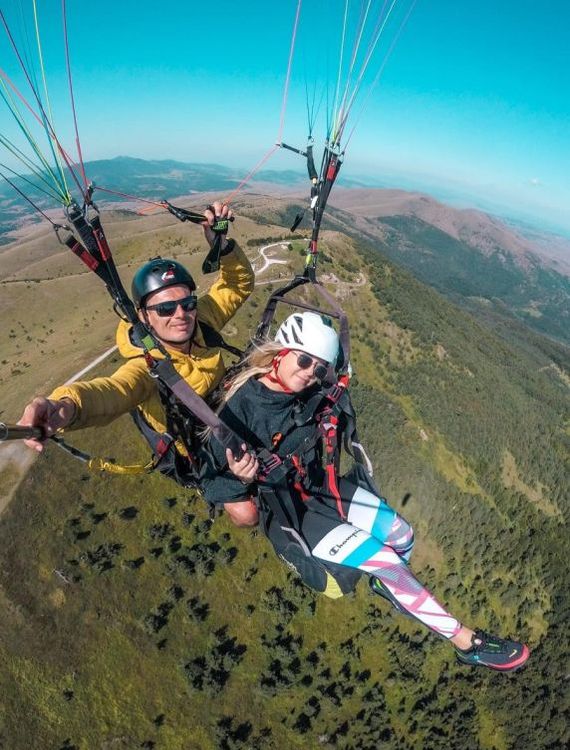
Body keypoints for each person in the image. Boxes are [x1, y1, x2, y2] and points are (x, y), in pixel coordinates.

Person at [201, 311, 530, 672]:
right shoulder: (240, 412)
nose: (311, 372)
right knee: (388, 563)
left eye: (319, 367)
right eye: (305, 360)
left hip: (320, 487)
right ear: (280, 352)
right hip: (292, 510)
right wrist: (242, 478)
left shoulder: (307, 386)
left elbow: (331, 379)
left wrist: (335, 375)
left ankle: (391, 586)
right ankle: (466, 641)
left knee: (402, 536)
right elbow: (229, 498)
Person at [17, 202, 257, 525]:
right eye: (166, 309)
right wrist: (65, 405)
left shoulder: (202, 320)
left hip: (228, 408)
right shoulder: (147, 368)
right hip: (198, 443)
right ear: (144, 317)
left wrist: (221, 246)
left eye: (187, 303)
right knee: (246, 514)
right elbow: (113, 391)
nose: (181, 315)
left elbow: (237, 285)